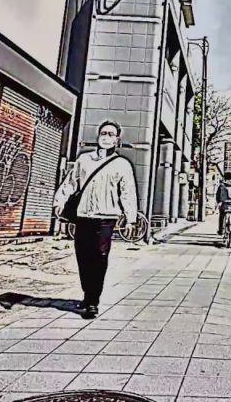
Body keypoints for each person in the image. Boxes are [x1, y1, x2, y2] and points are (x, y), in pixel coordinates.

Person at [53, 121, 138, 319]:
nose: (106, 136)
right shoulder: (84, 160)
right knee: (83, 257)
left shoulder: (122, 164)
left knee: (99, 258)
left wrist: (130, 219)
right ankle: (87, 293)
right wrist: (59, 201)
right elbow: (70, 183)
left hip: (106, 219)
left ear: (117, 139)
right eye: (103, 133)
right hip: (83, 216)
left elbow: (128, 193)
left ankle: (93, 301)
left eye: (110, 134)